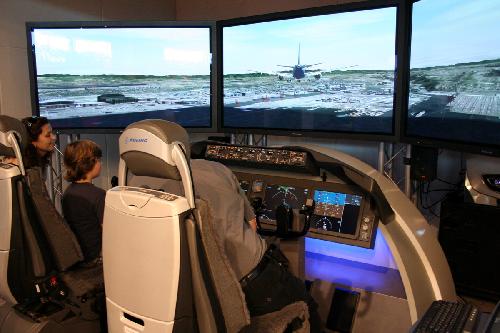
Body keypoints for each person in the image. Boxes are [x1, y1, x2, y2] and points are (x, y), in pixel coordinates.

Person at [148, 121, 321, 332]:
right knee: (306, 302)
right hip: (249, 283)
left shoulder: (143, 187)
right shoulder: (215, 169)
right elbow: (252, 225)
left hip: (186, 288)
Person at [62, 139, 106, 263]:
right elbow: (108, 232)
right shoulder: (99, 195)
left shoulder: (68, 192)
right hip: (95, 257)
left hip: (77, 255)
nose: (100, 163)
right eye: (98, 160)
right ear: (89, 163)